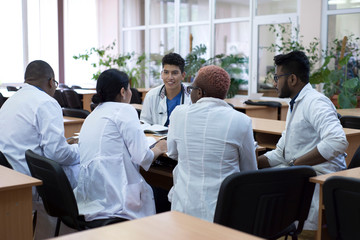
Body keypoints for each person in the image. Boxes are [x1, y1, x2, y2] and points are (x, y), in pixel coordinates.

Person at [257, 50, 348, 230]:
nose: (274, 83)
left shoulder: (315, 102)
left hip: (316, 178)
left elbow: (337, 141)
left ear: (292, 79)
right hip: (299, 174)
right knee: (252, 181)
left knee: (259, 197)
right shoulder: (295, 103)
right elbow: (281, 153)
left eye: (277, 77)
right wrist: (250, 161)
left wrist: (295, 165)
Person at [167, 65, 258, 222]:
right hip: (222, 209)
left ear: (200, 92)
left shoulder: (178, 114)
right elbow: (249, 170)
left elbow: (173, 153)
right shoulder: (241, 121)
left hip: (184, 205)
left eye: (192, 89)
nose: (190, 94)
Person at [74, 69, 167, 221]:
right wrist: (159, 148)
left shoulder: (95, 113)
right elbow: (143, 157)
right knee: (167, 196)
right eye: (129, 88)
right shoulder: (124, 109)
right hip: (117, 198)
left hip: (93, 197)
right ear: (123, 91)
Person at [0, 60, 80, 188]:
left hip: (11, 173)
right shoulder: (46, 102)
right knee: (88, 168)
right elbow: (58, 154)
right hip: (33, 178)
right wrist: (80, 149)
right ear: (51, 82)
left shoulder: (10, 101)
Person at [140, 52, 191, 126]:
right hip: (157, 137)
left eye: (175, 73)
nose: (170, 77)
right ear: (161, 74)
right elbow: (144, 123)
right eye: (166, 72)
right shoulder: (151, 96)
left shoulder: (192, 96)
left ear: (183, 75)